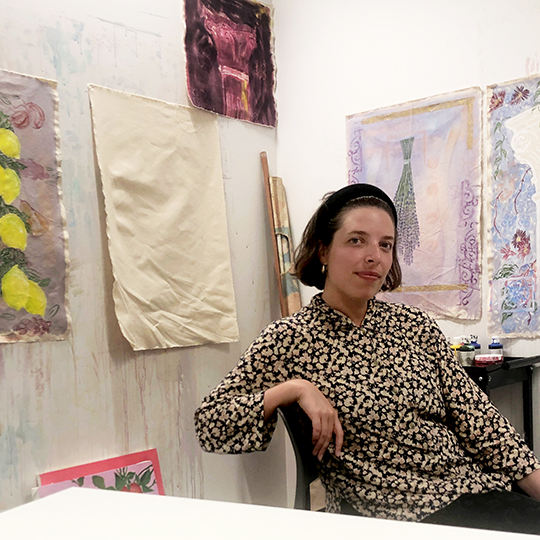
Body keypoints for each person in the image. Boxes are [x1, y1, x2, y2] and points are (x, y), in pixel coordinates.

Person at [194, 183, 540, 534]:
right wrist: (293, 389)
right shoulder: (291, 339)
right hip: (397, 512)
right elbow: (210, 424)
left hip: (472, 490)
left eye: (385, 245)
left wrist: (532, 480)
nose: (374, 255)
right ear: (323, 251)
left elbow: (480, 421)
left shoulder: (414, 325)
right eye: (357, 240)